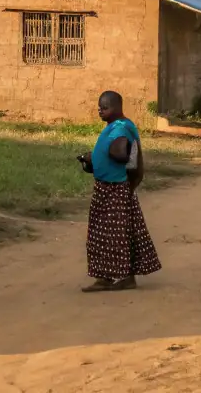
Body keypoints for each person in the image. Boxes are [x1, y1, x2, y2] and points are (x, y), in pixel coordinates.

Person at [78, 91, 161, 292]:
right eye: (99, 107)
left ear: (117, 107)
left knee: (113, 234)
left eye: (105, 107)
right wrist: (93, 159)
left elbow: (121, 152)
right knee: (109, 233)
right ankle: (109, 277)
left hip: (115, 188)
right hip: (108, 185)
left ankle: (119, 277)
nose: (101, 111)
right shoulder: (115, 127)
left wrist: (106, 154)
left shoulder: (121, 128)